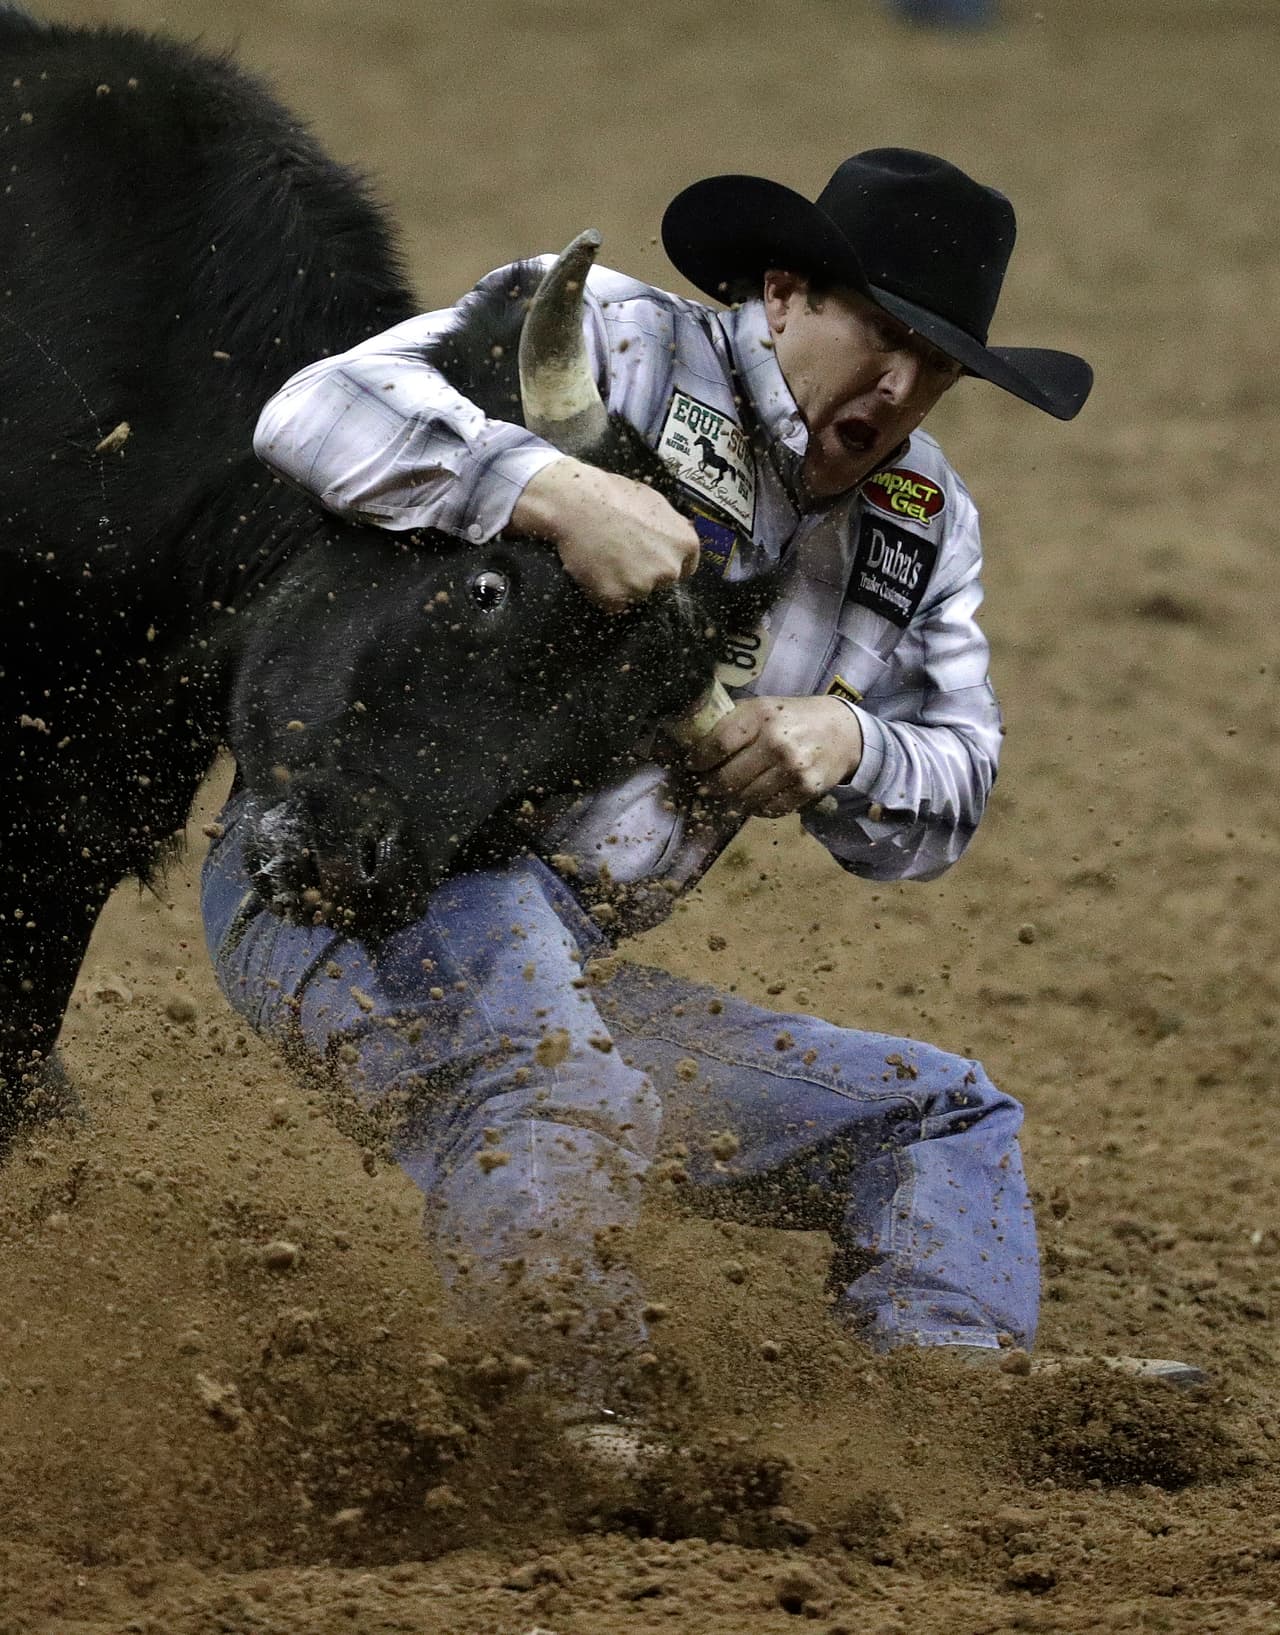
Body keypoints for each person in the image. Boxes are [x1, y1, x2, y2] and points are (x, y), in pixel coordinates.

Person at [202, 149, 1202, 1432]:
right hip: (367, 869)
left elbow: (953, 784)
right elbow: (315, 409)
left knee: (936, 1117)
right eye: (882, 336)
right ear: (782, 294)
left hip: (557, 959)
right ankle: (562, 1422)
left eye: (937, 364)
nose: (900, 390)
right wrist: (549, 489)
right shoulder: (616, 336)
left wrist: (852, 747)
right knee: (555, 1087)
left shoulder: (917, 521)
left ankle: (946, 1387)